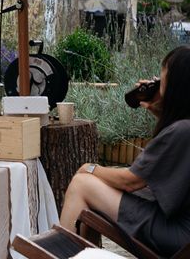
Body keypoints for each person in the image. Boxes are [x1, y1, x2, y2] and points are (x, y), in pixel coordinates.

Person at [60, 45, 190, 257]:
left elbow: (131, 181)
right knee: (92, 193)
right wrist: (158, 112)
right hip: (180, 232)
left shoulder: (182, 130)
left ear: (176, 84)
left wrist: (90, 168)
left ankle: (64, 253)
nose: (159, 80)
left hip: (176, 234)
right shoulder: (183, 126)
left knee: (81, 184)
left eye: (163, 76)